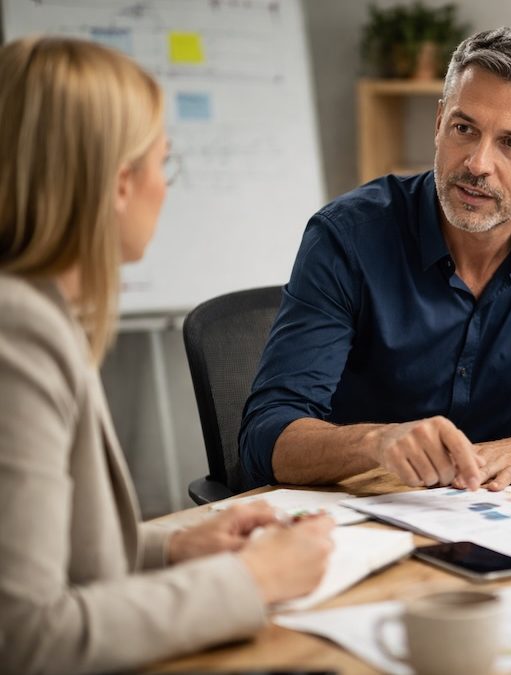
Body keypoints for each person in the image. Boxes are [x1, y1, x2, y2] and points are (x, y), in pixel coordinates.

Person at [0, 37, 335, 675]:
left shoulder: (36, 310)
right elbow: (24, 636)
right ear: (119, 184)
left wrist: (175, 548)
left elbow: (56, 554)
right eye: (163, 162)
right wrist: (252, 581)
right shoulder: (15, 334)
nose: (165, 185)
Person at [240, 27, 511, 493]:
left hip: (491, 506)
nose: (477, 164)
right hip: (354, 508)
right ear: (439, 122)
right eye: (464, 129)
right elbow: (267, 436)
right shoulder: (347, 236)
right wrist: (377, 442)